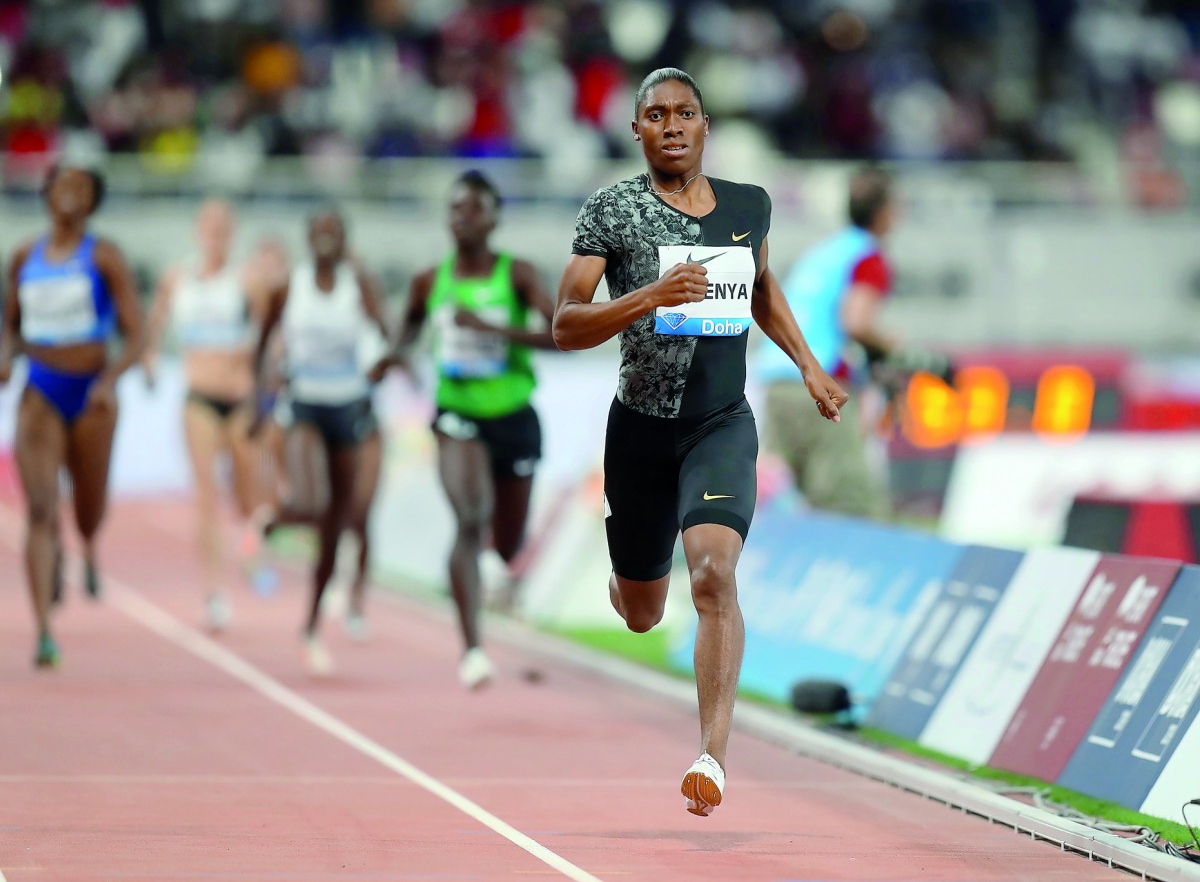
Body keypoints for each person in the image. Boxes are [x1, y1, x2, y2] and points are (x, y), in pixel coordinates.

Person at [552, 68, 847, 816]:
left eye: (686, 112)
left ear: (706, 124)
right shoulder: (613, 211)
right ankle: (626, 571)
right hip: (640, 435)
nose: (673, 125)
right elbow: (564, 322)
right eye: (657, 115)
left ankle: (712, 755)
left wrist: (809, 365)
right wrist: (650, 294)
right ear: (638, 130)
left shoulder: (749, 206)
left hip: (720, 424)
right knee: (643, 611)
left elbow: (761, 289)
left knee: (714, 574)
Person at [385, 169, 557, 690]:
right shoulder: (429, 281)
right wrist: (394, 356)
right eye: (455, 207)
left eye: (474, 207)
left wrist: (493, 330)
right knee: (468, 516)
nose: (463, 216)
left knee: (506, 544)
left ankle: (489, 575)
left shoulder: (519, 274)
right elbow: (410, 323)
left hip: (515, 417)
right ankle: (472, 649)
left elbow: (561, 333)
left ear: (495, 216)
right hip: (457, 413)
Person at [0, 163, 145, 668]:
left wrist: (109, 381)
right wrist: (6, 355)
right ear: (46, 194)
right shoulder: (24, 256)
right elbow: (9, 325)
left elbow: (137, 332)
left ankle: (85, 543)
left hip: (90, 395)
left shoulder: (104, 257)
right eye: (63, 185)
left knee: (88, 507)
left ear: (93, 201)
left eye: (83, 188)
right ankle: (43, 631)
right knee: (39, 510)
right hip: (40, 390)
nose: (71, 195)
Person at [253, 207, 390, 674]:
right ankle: (274, 518)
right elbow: (261, 343)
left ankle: (311, 626)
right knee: (313, 501)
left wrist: (381, 366)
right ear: (308, 238)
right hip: (305, 406)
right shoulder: (290, 286)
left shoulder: (360, 283)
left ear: (345, 238)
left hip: (349, 408)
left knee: (337, 526)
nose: (326, 238)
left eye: (334, 231)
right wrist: (261, 399)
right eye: (319, 231)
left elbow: (388, 335)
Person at [143, 199, 275, 631]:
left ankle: (250, 547)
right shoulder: (177, 279)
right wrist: (147, 358)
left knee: (247, 494)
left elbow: (270, 335)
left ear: (232, 234)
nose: (215, 234)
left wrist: (263, 384)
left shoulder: (248, 282)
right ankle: (215, 592)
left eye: (223, 227)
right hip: (198, 397)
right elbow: (155, 322)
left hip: (238, 398)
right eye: (209, 226)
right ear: (198, 231)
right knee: (205, 496)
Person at [755, 167, 901, 520]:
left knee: (789, 501)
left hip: (777, 378)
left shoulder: (825, 251)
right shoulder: (867, 256)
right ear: (884, 213)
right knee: (847, 504)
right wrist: (891, 347)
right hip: (820, 384)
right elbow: (856, 321)